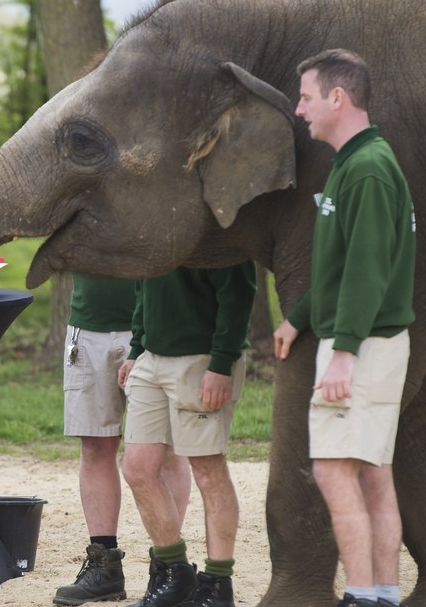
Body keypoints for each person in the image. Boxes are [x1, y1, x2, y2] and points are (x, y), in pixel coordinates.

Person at [274, 49, 414, 607]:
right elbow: (341, 263)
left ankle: (359, 596)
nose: (299, 108)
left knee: (334, 472)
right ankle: (379, 595)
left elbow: (367, 268)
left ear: (337, 97)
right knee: (373, 474)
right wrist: (298, 318)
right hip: (370, 342)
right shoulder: (354, 164)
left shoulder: (369, 169)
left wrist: (344, 352)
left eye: (306, 96)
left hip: (364, 346)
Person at [118, 263, 256, 607]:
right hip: (152, 357)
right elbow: (143, 288)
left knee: (208, 471)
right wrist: (136, 349)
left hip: (203, 359)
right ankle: (175, 572)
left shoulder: (217, 228)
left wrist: (222, 363)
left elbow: (238, 295)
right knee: (137, 468)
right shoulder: (152, 223)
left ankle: (218, 584)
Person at [54, 274, 190, 606]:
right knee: (95, 445)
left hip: (158, 324)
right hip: (88, 325)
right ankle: (105, 568)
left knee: (166, 449)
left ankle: (168, 565)